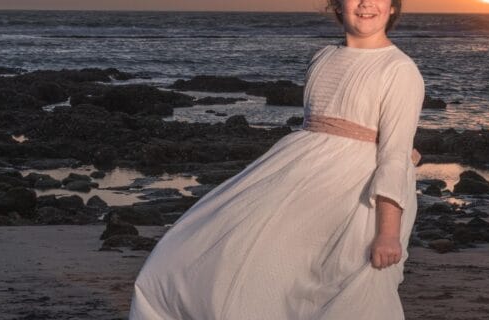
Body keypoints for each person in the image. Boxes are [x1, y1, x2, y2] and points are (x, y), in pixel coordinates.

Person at [128, 0, 424, 318]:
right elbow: (319, 127)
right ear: (338, 5)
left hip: (360, 195)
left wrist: (388, 233)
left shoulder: (400, 70)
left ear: (393, 8)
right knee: (244, 263)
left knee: (353, 292)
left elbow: (393, 155)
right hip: (300, 180)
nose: (366, 3)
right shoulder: (323, 57)